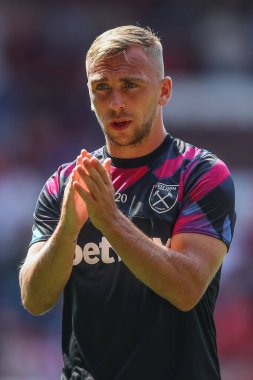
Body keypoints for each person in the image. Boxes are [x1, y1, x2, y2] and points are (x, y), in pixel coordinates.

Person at [19, 25, 236, 380]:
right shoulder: (65, 183)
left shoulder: (200, 174)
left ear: (164, 91)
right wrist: (68, 227)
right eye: (102, 88)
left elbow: (186, 289)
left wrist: (110, 221)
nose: (116, 102)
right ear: (89, 95)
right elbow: (34, 298)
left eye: (131, 86)